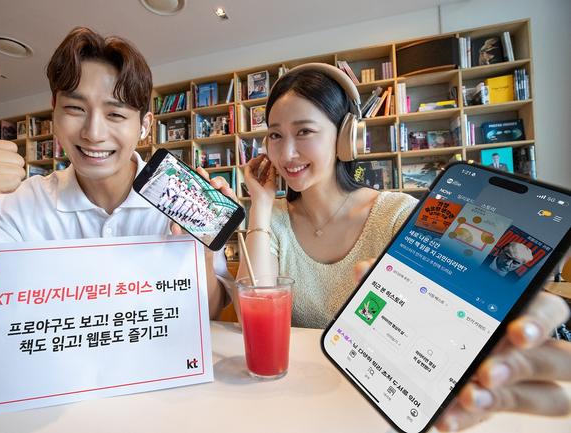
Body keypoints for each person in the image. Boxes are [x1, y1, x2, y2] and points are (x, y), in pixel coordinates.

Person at [236, 63, 571, 431]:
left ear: (346, 137)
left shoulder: (397, 214)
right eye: (275, 135)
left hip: (381, 405)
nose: (286, 153)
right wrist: (261, 205)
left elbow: (451, 316)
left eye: (304, 132)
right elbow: (252, 312)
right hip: (296, 404)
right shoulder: (273, 220)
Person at [0, 27, 233, 348]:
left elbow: (208, 314)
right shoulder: (20, 205)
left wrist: (203, 254)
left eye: (115, 113)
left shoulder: (182, 201)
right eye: (75, 109)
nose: (93, 133)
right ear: (54, 112)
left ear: (144, 126)